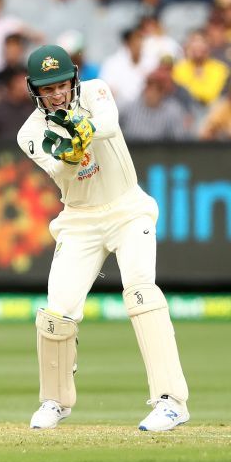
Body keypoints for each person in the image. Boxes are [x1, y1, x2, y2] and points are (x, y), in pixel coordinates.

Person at [17, 44, 190, 432]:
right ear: (35, 91)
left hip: (128, 208)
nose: (57, 94)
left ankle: (171, 402)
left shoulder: (95, 91)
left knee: (141, 292)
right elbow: (60, 173)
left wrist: (84, 130)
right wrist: (71, 154)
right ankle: (55, 401)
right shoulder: (29, 132)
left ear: (73, 79)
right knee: (57, 312)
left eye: (62, 85)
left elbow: (110, 123)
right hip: (79, 221)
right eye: (48, 89)